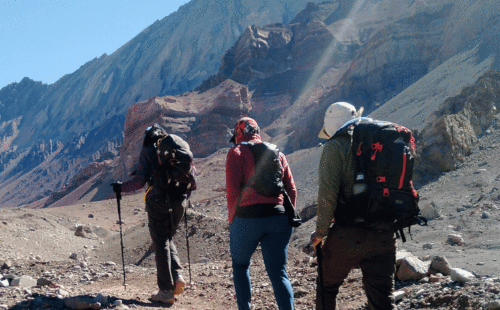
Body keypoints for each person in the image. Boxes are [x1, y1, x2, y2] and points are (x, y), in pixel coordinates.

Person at [312, 102, 397, 310]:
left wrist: (320, 234)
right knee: (383, 298)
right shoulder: (379, 140)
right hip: (385, 231)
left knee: (327, 286)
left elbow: (327, 196)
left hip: (349, 233)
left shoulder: (334, 147)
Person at [112, 124, 196, 305]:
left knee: (160, 242)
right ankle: (177, 275)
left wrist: (120, 187)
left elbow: (139, 182)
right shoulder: (178, 149)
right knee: (167, 238)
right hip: (180, 201)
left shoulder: (148, 150)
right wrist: (183, 198)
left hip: (158, 201)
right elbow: (192, 180)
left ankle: (166, 291)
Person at [226, 117, 298, 310]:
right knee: (279, 273)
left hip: (247, 219)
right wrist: (287, 218)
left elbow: (232, 192)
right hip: (278, 218)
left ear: (238, 134)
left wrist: (233, 220)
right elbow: (291, 190)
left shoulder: (236, 152)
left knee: (240, 265)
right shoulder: (277, 153)